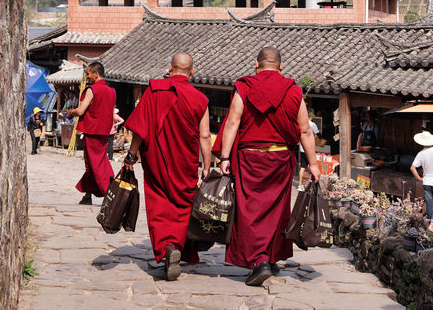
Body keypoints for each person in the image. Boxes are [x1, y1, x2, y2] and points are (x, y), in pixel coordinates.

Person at [213, 46, 321, 286]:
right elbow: (304, 129)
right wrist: (313, 164)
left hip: (249, 159)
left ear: (256, 64)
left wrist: (224, 157)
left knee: (250, 211)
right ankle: (270, 258)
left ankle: (261, 260)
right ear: (281, 66)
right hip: (280, 160)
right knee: (276, 211)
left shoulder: (244, 87)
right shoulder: (293, 90)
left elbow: (232, 122)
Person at [123, 52, 212, 281]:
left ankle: (167, 248)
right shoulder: (200, 99)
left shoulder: (154, 90)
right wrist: (207, 166)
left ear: (170, 69)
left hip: (156, 159)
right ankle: (177, 246)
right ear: (192, 72)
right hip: (186, 163)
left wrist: (131, 156)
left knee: (159, 203)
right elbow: (204, 136)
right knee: (183, 206)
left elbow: (140, 129)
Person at [67, 62, 116, 205]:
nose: (87, 76)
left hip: (92, 131)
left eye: (88, 73)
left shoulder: (92, 90)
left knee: (97, 165)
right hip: (104, 132)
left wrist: (71, 112)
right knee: (93, 163)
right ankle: (87, 196)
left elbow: (81, 111)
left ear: (96, 73)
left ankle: (111, 193)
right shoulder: (112, 91)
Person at [297, 110, 321, 191]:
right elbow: (319, 135)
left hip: (301, 148)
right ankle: (311, 183)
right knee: (312, 165)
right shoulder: (312, 124)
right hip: (310, 149)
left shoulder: (300, 123)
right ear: (312, 116)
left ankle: (300, 185)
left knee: (303, 167)